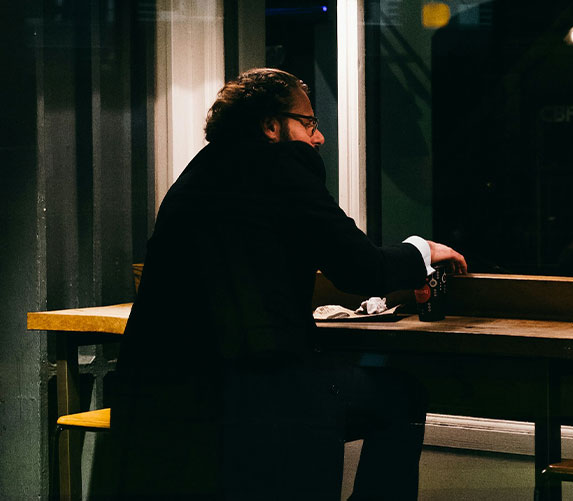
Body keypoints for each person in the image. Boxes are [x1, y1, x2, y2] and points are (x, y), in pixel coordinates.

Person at [112, 68, 467, 500]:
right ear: (271, 124)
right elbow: (359, 269)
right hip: (258, 384)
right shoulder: (281, 166)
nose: (318, 139)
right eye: (309, 123)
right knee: (401, 397)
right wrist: (422, 252)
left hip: (172, 394)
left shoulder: (197, 175)